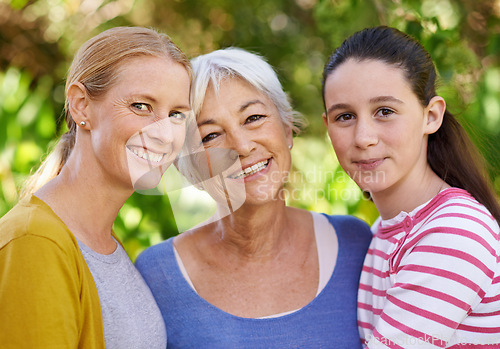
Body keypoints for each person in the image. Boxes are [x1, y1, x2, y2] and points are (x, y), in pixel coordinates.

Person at [135, 47, 373, 348]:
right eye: (211, 136)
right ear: (190, 168)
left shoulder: (356, 244)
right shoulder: (157, 275)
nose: (242, 146)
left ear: (287, 130)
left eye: (253, 118)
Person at [0, 26, 192, 348]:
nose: (164, 134)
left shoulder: (106, 245)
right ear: (81, 106)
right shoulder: (35, 243)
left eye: (176, 114)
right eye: (141, 106)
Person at [322, 26, 500, 348]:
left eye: (385, 112)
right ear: (327, 126)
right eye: (345, 116)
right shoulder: (384, 231)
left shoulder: (455, 231)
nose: (363, 138)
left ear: (431, 116)